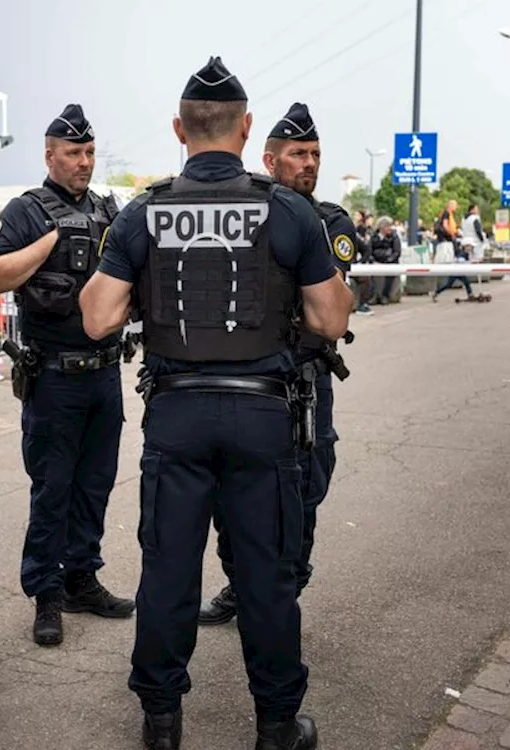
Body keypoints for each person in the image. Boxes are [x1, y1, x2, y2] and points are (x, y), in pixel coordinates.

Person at [79, 58, 350, 750]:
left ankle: (162, 721)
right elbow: (329, 319)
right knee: (266, 574)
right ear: (247, 128)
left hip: (177, 415)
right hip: (264, 417)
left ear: (180, 129)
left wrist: (141, 280)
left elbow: (98, 319)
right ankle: (278, 726)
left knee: (168, 570)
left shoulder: (146, 211)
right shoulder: (287, 209)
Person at [198, 101, 357, 630]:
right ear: (270, 160)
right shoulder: (251, 211)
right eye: (297, 154)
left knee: (303, 491)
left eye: (314, 154)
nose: (308, 163)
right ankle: (240, 584)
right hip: (254, 379)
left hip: (305, 382)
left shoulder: (330, 220)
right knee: (232, 489)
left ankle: (285, 586)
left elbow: (328, 309)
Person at [0, 102, 135, 647]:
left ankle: (82, 578)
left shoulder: (107, 209)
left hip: (103, 374)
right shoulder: (28, 211)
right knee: (52, 489)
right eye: (74, 152)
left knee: (94, 483)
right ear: (49, 155)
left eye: (90, 151)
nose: (84, 161)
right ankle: (46, 594)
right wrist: (50, 240)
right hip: (53, 376)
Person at [429, 200, 481, 302]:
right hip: (457, 262)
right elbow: (445, 225)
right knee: (460, 279)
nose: (456, 207)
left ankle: (436, 293)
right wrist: (452, 234)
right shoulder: (447, 213)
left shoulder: (459, 219)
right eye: (455, 205)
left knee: (452, 281)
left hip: (457, 262)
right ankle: (469, 293)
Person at [367, 217, 403, 304]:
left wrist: (387, 262)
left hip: (390, 263)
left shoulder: (394, 236)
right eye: (388, 226)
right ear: (381, 227)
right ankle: (374, 295)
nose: (390, 228)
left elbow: (397, 252)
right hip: (376, 262)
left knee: (389, 274)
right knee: (372, 274)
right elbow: (368, 251)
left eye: (390, 226)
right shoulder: (373, 237)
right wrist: (373, 261)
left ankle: (385, 295)